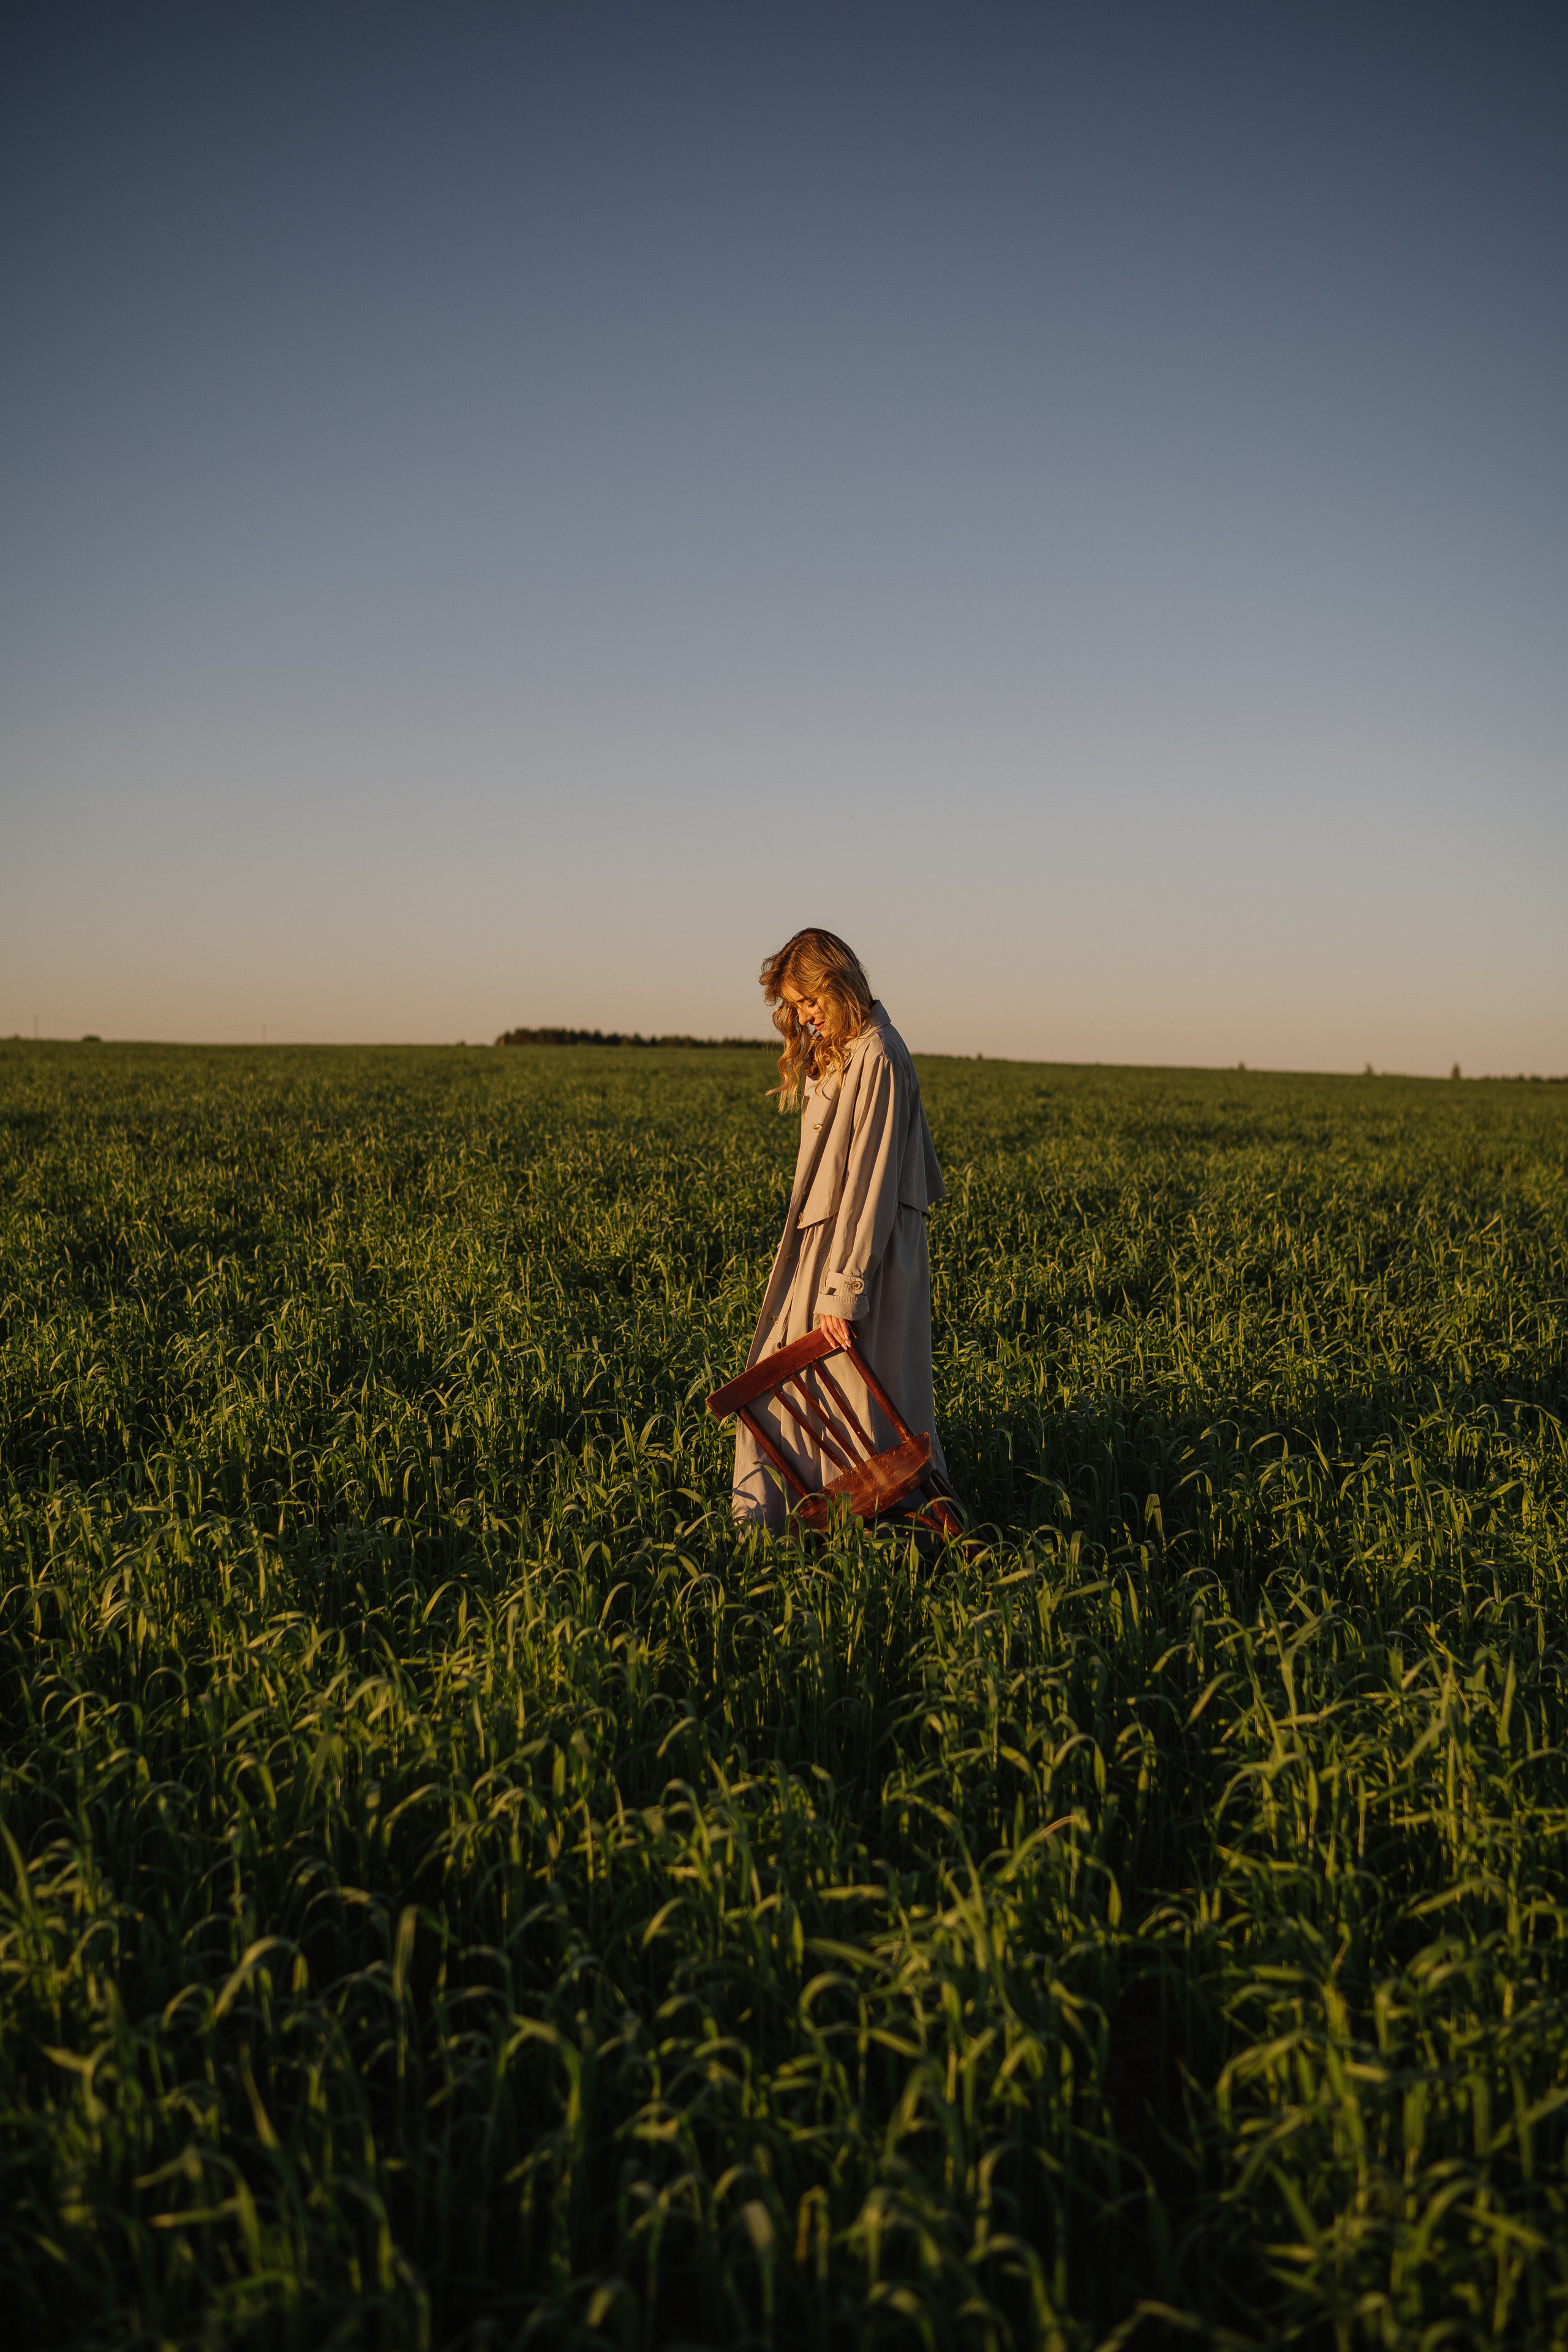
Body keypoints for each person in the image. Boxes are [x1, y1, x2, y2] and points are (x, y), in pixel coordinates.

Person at [732, 927, 951, 1530]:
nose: (804, 1019)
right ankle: (801, 1528)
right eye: (795, 1008)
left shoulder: (878, 1055)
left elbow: (871, 1184)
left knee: (844, 1398)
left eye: (810, 1003)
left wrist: (844, 1289)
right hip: (837, 1249)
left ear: (838, 985)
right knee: (811, 1393)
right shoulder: (851, 1050)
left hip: (858, 1257)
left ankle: (859, 1531)